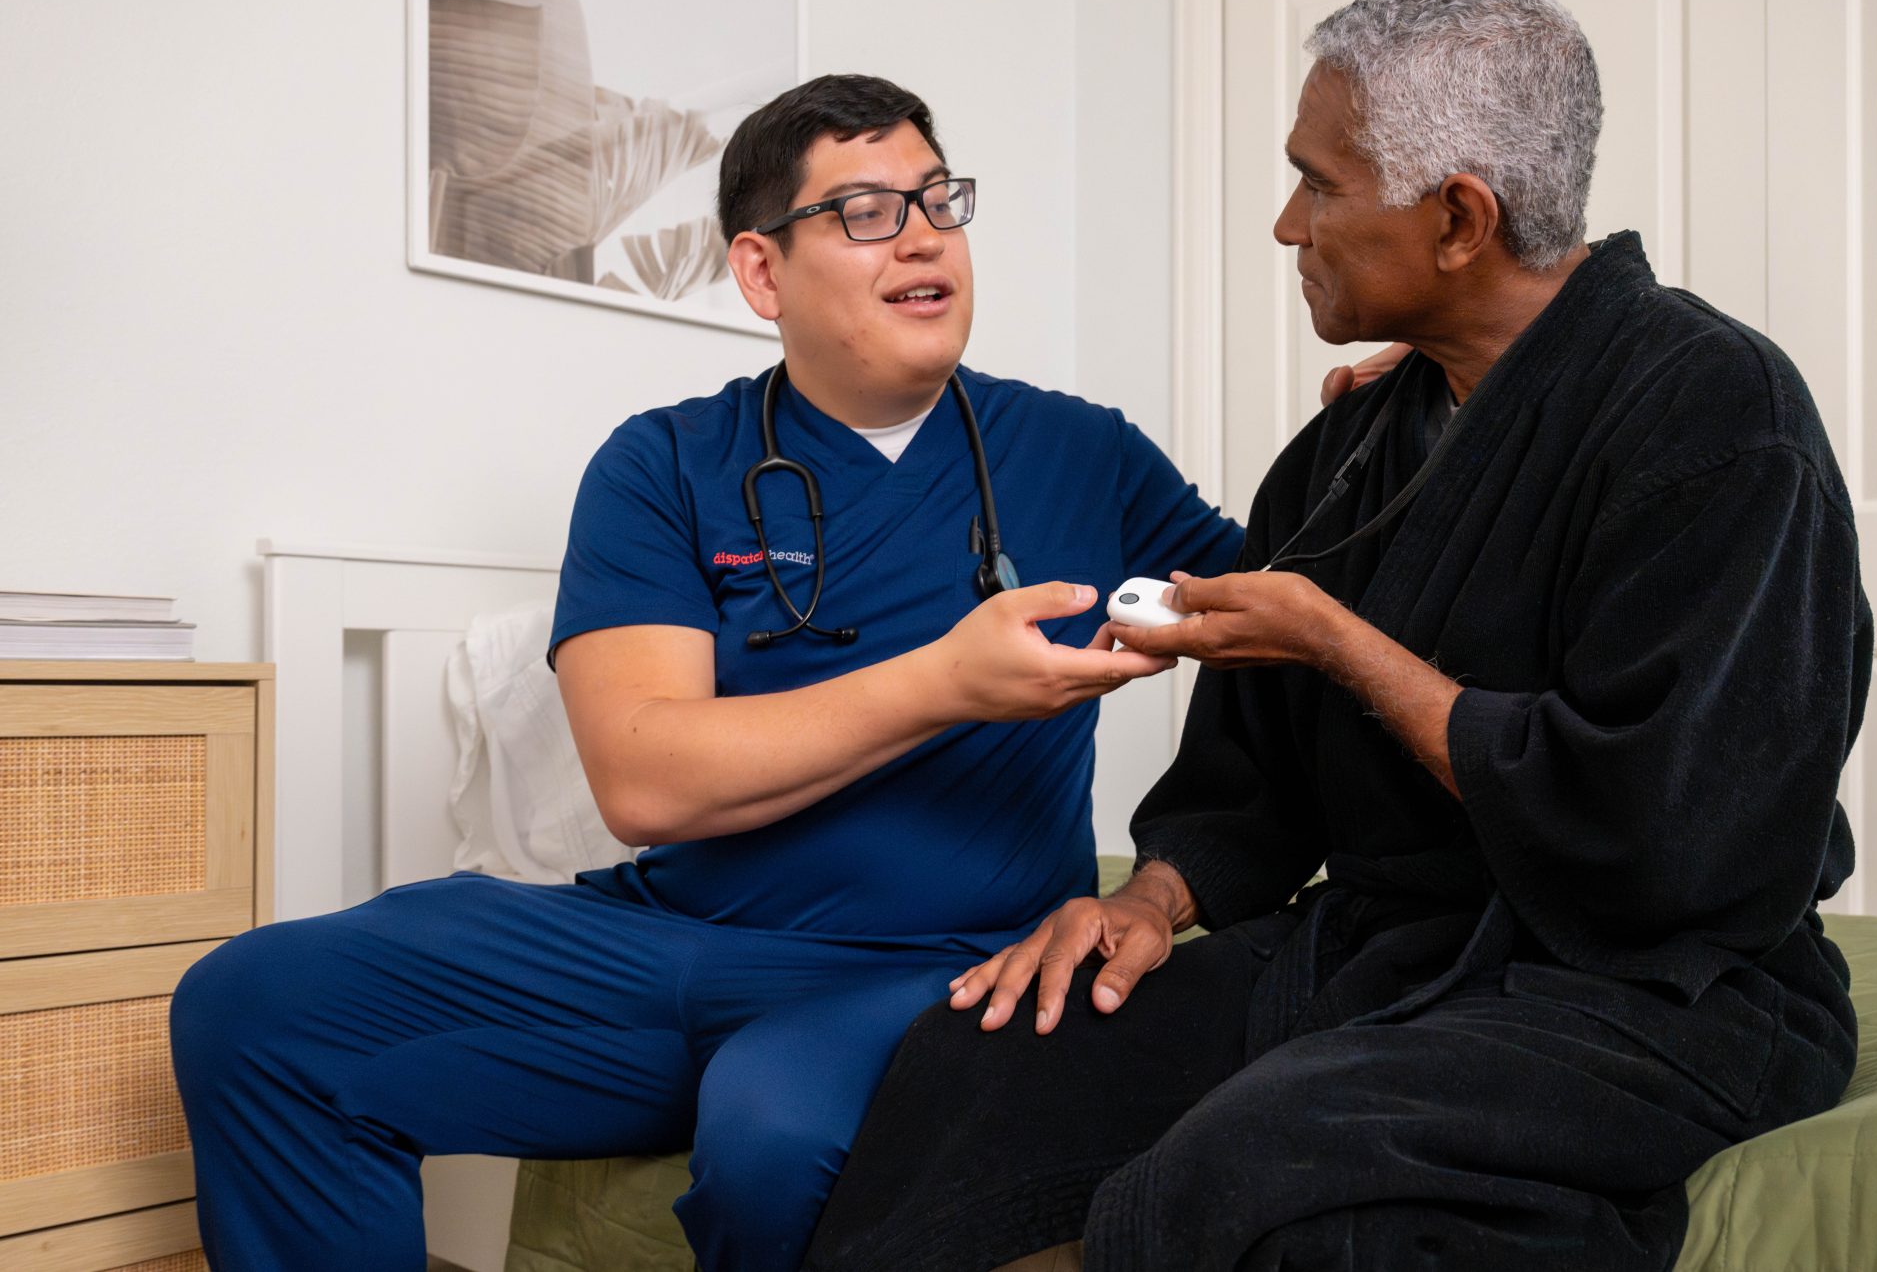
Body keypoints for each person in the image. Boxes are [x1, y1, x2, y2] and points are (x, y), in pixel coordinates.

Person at [804, 0, 1871, 1272]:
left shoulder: (1715, 413)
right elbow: (1253, 780)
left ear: (1460, 219)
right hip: (1381, 949)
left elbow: (1666, 831)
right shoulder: (1355, 446)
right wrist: (1151, 897)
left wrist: (1341, 642)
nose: (1284, 223)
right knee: (986, 1052)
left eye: (1318, 182)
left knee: (1273, 1157)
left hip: (1657, 985)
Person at [167, 73, 1244, 1272]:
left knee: (774, 1129)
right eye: (866, 210)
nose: (926, 232)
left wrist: (1382, 429)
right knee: (258, 1002)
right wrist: (946, 680)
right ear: (761, 271)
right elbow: (646, 780)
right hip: (662, 940)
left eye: (938, 198)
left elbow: (1291, 616)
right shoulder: (665, 463)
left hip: (932, 967)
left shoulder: (1081, 451)